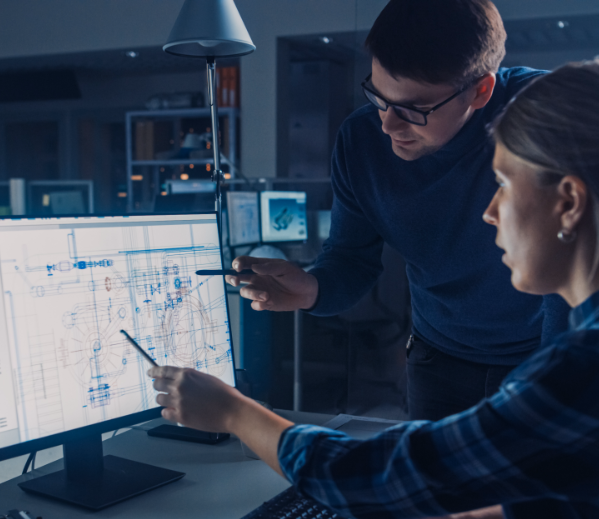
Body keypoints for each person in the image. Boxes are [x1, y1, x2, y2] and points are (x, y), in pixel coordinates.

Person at [148, 58, 599, 519]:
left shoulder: (582, 370)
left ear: (570, 202)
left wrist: (230, 410)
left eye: (504, 183)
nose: (489, 212)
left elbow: (371, 476)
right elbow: (585, 498)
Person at [227, 0, 570, 420]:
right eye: (378, 95)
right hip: (438, 359)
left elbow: (575, 263)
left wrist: (562, 376)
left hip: (547, 353)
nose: (388, 124)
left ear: (481, 90)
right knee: (432, 482)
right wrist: (312, 288)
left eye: (414, 108)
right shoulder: (362, 141)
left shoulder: (550, 114)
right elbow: (351, 258)